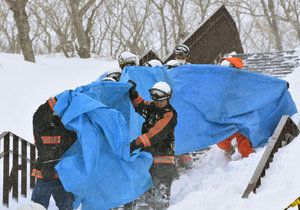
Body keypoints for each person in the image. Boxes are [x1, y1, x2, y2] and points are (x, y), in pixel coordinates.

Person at [127, 81, 178, 209]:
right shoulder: (153, 108)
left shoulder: (169, 114)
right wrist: (133, 93)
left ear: (167, 97)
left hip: (164, 161)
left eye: (159, 98)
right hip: (149, 159)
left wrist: (135, 144)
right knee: (146, 196)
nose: (156, 101)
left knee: (161, 199)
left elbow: (155, 134)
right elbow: (141, 106)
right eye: (153, 96)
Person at [31, 97, 77, 209]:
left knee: (67, 206)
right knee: (37, 206)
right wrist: (58, 99)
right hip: (45, 174)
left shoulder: (68, 128)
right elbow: (39, 114)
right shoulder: (41, 126)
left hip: (62, 176)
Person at [217, 52, 254, 160]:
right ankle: (229, 149)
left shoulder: (244, 81)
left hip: (243, 117)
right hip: (227, 118)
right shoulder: (220, 85)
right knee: (220, 139)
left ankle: (248, 160)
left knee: (244, 140)